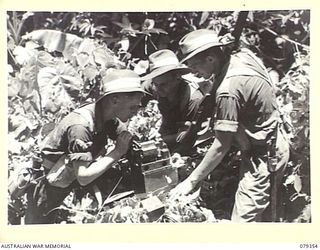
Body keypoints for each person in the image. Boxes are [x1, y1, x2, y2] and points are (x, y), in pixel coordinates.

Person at [170, 29, 290, 222]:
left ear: (210, 59)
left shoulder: (228, 91)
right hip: (271, 141)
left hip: (263, 157)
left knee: (241, 225)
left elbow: (221, 146)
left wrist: (190, 182)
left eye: (194, 65)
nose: (193, 72)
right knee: (265, 213)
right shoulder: (241, 57)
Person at [24, 69, 146, 224]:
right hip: (51, 192)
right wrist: (117, 152)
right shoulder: (80, 126)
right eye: (132, 107)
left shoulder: (108, 117)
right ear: (115, 100)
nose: (136, 112)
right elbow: (83, 176)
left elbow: (129, 142)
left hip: (71, 183)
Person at [141, 49, 204, 155]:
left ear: (177, 77)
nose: (158, 89)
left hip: (179, 143)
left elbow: (188, 137)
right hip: (160, 133)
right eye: (156, 84)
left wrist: (157, 140)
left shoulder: (193, 100)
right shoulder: (152, 85)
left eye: (163, 85)